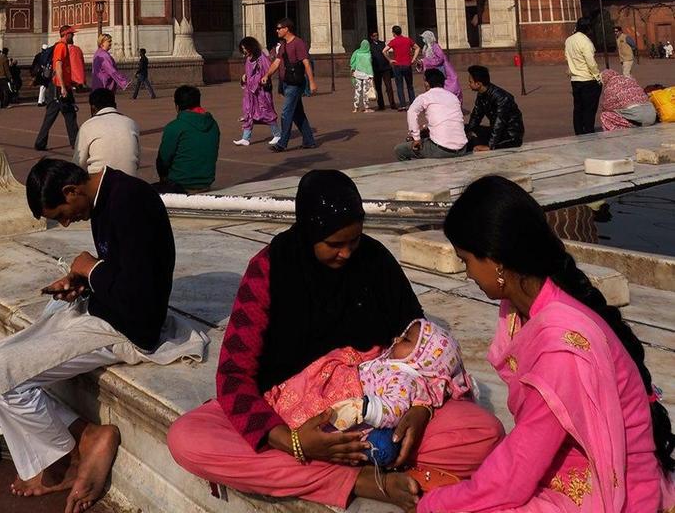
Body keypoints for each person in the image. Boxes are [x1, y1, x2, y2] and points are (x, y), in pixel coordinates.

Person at [168, 170, 504, 510]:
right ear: (309, 232)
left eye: (354, 241)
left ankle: (360, 457)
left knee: (483, 433)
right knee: (188, 438)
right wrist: (295, 442)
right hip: (286, 413)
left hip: (378, 410)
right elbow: (232, 376)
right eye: (333, 244)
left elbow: (419, 352)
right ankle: (360, 479)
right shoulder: (269, 271)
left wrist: (420, 411)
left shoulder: (374, 261)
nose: (346, 253)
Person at [418, 174, 675, 512]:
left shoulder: (560, 344)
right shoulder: (524, 307)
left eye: (467, 260)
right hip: (562, 461)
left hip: (611, 486)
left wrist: (434, 505)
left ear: (496, 261)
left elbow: (515, 474)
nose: (467, 274)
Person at [0, 159, 206, 507]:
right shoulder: (106, 197)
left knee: (1, 377)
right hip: (101, 310)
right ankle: (86, 435)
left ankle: (68, 458)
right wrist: (83, 281)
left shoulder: (130, 201)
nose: (66, 221)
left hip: (124, 329)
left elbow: (141, 304)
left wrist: (89, 267)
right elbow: (125, 268)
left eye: (62, 213)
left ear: (72, 190)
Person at [266, 317, 476, 451]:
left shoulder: (405, 378)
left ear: (422, 358)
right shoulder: (395, 363)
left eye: (406, 340)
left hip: (350, 405)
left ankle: (291, 419)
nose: (397, 338)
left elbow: (394, 407)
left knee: (316, 404)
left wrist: (364, 408)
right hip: (347, 385)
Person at [265, 18, 318, 152]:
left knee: (286, 113)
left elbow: (306, 63)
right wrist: (267, 75)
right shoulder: (283, 44)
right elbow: (277, 62)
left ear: (286, 29)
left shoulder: (298, 43)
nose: (277, 31)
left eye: (279, 28)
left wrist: (312, 82)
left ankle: (282, 143)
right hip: (287, 83)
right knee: (298, 114)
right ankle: (309, 141)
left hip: (295, 84)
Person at [156, 85, 220, 193]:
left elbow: (163, 161)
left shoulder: (175, 127)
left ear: (177, 106)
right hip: (205, 183)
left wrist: (163, 178)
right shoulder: (213, 124)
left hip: (180, 185)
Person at [394, 69, 468, 161]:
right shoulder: (453, 97)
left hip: (441, 150)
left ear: (427, 83)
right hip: (462, 149)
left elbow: (411, 112)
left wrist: (416, 138)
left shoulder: (425, 97)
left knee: (400, 150)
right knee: (426, 135)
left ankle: (415, 174)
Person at [74, 88, 140, 176]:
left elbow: (79, 164)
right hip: (130, 183)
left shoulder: (87, 126)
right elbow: (137, 160)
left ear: (93, 108)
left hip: (100, 185)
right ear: (115, 105)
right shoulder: (131, 123)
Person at [34, 26, 79, 152]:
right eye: (71, 34)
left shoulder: (60, 46)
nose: (73, 36)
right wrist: (63, 87)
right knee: (66, 115)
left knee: (63, 115)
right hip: (59, 87)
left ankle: (40, 142)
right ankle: (75, 142)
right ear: (66, 34)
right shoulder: (61, 47)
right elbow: (58, 66)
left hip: (59, 86)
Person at [465, 65, 524, 151]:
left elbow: (499, 122)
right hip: (498, 132)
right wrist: (469, 132)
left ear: (478, 84)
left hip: (510, 136)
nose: (469, 84)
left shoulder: (502, 98)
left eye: (470, 82)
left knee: (475, 144)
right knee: (465, 129)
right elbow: (476, 115)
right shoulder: (482, 94)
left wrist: (490, 146)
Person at [235, 36, 277, 145]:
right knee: (248, 112)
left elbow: (268, 71)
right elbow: (248, 72)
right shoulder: (248, 59)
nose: (244, 51)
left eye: (245, 48)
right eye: (242, 49)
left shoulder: (262, 58)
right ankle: (246, 138)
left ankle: (277, 134)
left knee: (267, 112)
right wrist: (245, 76)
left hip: (261, 92)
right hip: (250, 92)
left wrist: (261, 78)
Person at [565, 16, 602, 135]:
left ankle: (579, 131)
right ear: (588, 28)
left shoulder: (569, 40)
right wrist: (597, 76)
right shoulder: (586, 41)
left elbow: (566, 57)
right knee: (589, 109)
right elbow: (591, 62)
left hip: (575, 80)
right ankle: (588, 131)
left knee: (578, 108)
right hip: (588, 79)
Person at [418, 31, 462, 100]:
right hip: (430, 70)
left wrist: (425, 62)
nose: (423, 40)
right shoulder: (427, 47)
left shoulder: (435, 46)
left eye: (424, 38)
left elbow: (440, 58)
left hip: (439, 70)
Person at [384, 25, 420, 110]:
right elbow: (417, 48)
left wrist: (390, 60)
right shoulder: (407, 40)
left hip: (397, 65)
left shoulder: (393, 41)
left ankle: (403, 104)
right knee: (410, 85)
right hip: (407, 64)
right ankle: (413, 103)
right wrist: (413, 59)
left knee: (399, 86)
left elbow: (384, 51)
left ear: (394, 33)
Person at [369, 32, 396, 110]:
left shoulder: (382, 43)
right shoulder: (370, 46)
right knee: (378, 87)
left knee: (389, 86)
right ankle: (381, 105)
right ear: (371, 37)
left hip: (385, 68)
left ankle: (392, 104)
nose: (376, 37)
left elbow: (386, 53)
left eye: (377, 35)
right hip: (376, 69)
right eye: (374, 36)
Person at [349, 39, 374, 113]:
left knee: (357, 91)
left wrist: (353, 70)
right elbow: (369, 65)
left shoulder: (357, 52)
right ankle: (366, 108)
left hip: (358, 73)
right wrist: (371, 75)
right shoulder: (368, 53)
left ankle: (356, 107)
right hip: (366, 74)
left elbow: (353, 62)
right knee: (365, 91)